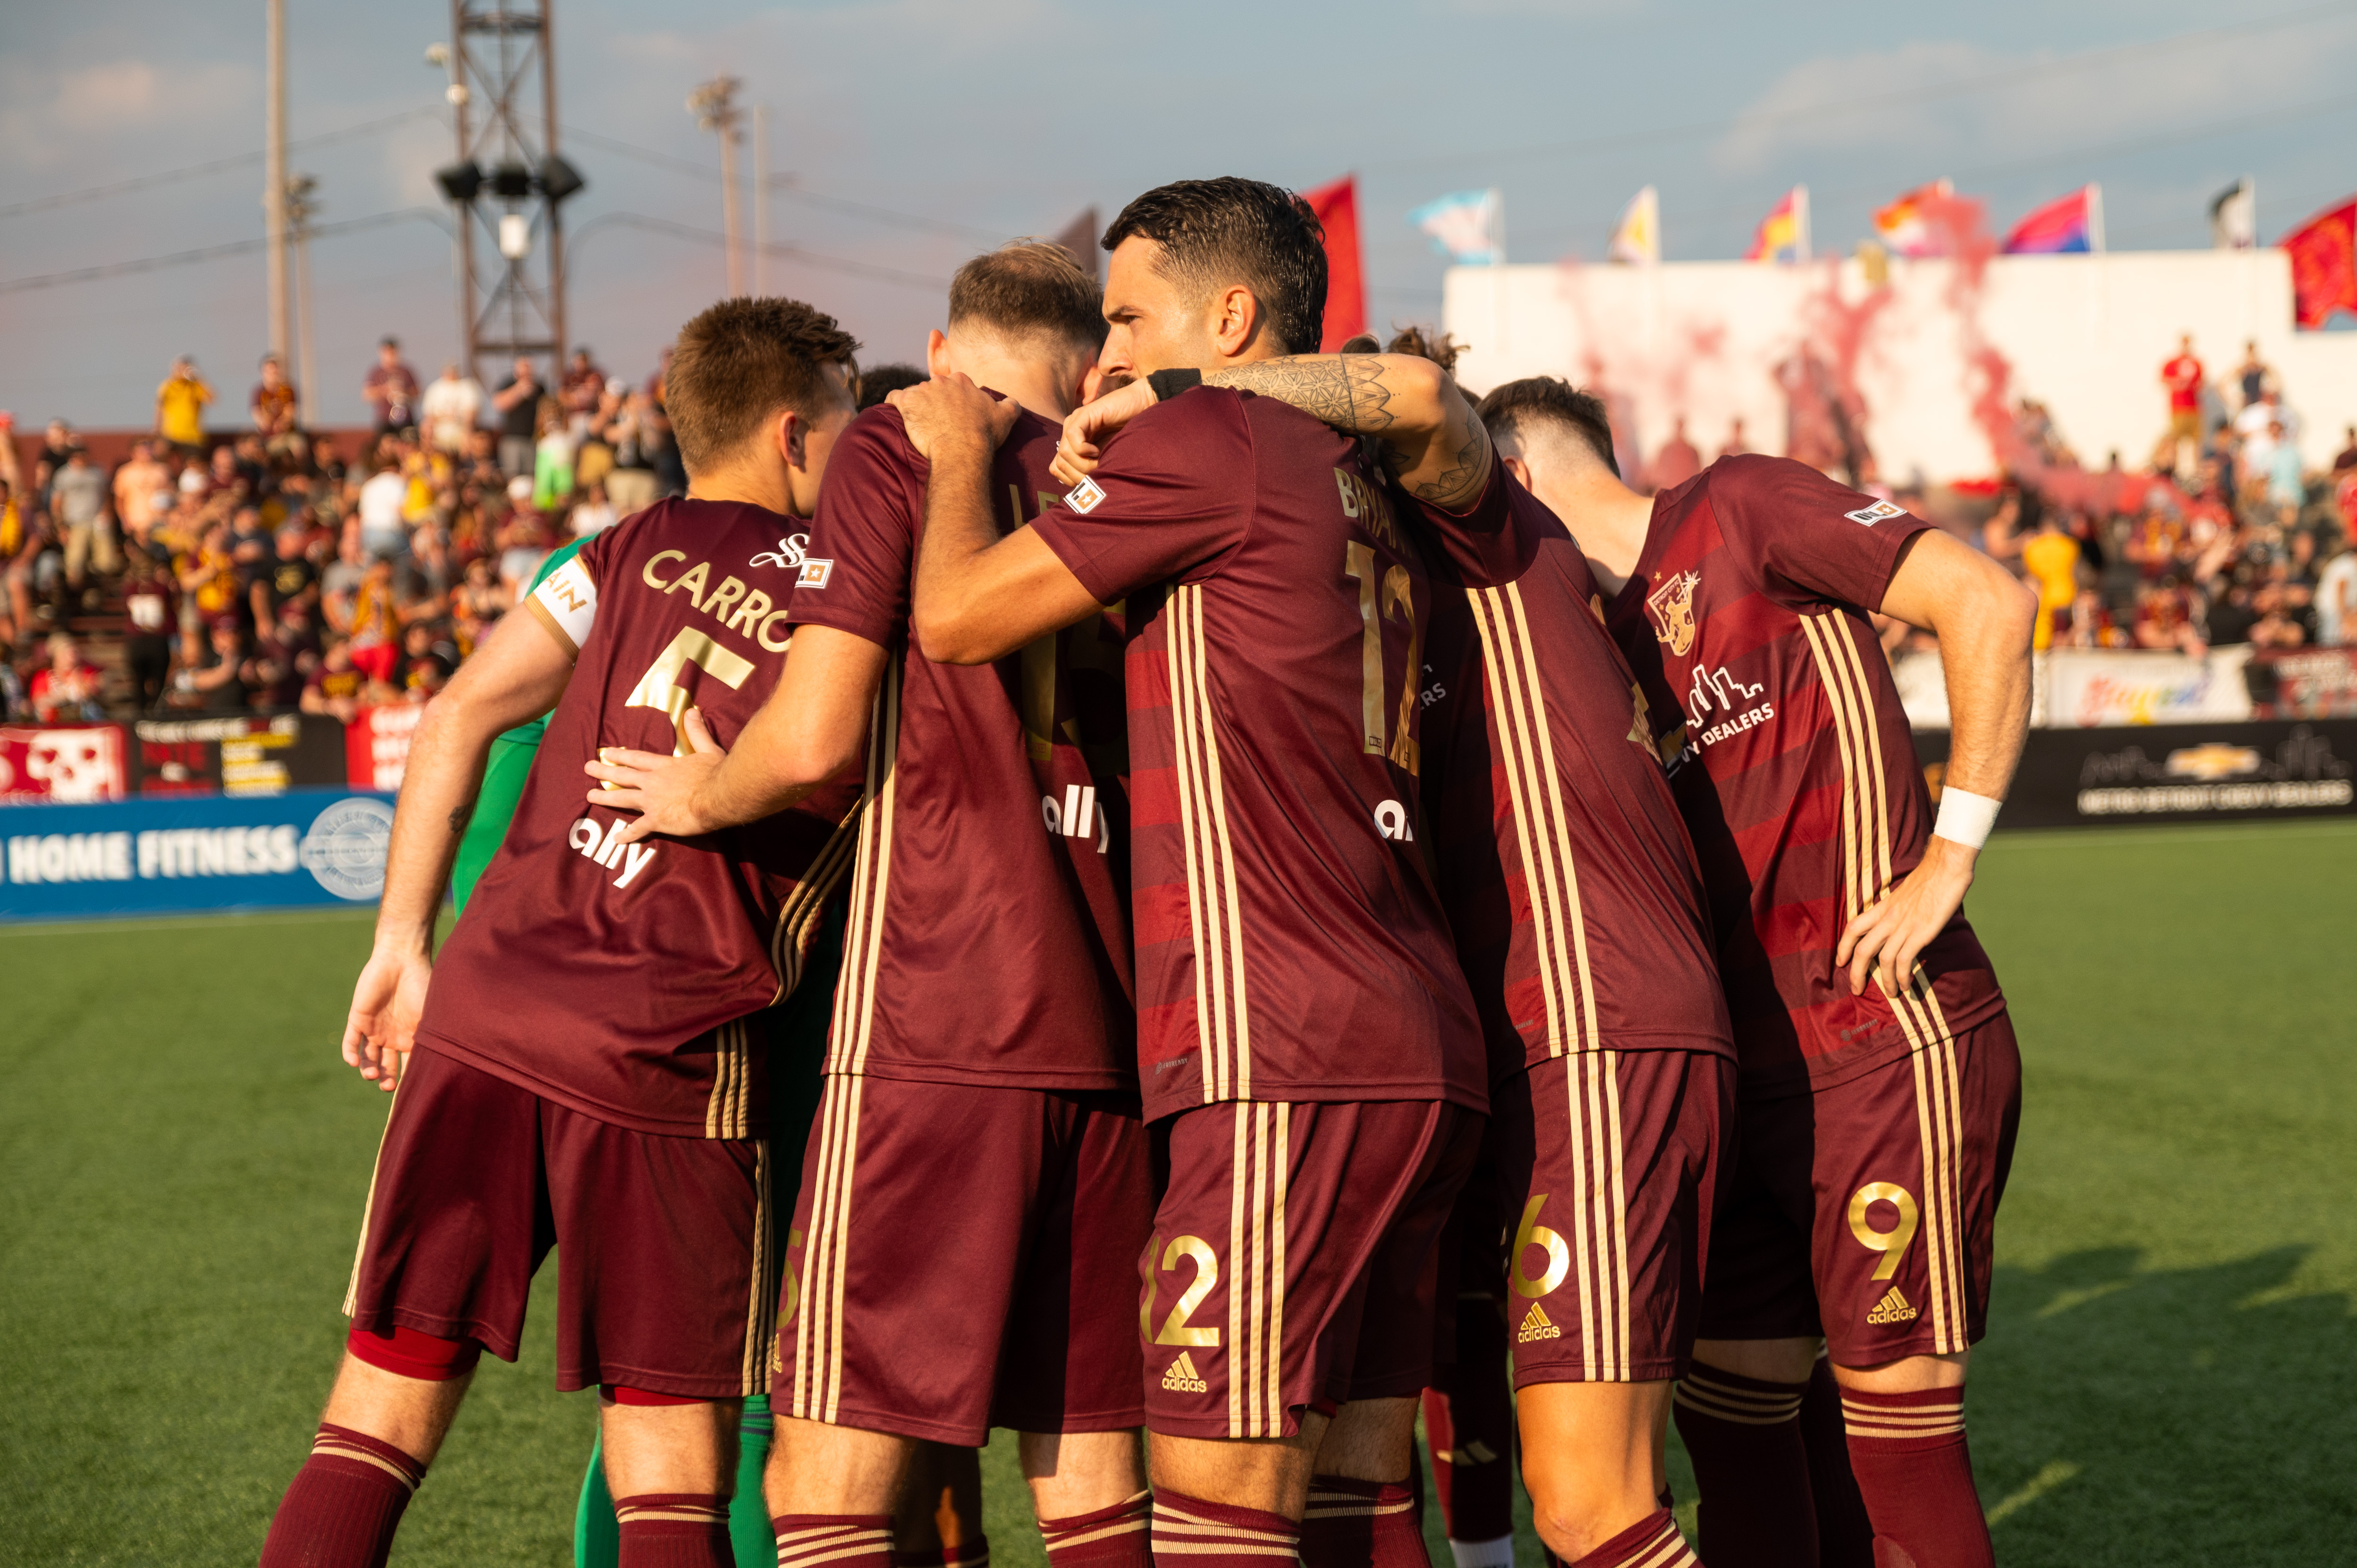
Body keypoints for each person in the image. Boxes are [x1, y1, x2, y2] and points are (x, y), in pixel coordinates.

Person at [1061, 345, 1747, 1566]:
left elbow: (1423, 406)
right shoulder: (1380, 583)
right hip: (1500, 1033)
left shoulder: (1486, 531)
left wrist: (1186, 397)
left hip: (1588, 1014)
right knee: (1391, 1416)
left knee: (1594, 1504)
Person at [903, 178, 1487, 1568]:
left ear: (1228, 321)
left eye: (1126, 316)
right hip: (1417, 1036)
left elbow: (955, 616)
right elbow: (1437, 417)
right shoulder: (1362, 479)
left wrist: (940, 456)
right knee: (1355, 1492)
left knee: (1219, 1508)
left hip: (1274, 1038)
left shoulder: (1217, 429)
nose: (1106, 354)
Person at [255, 294, 865, 1568]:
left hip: (484, 1009)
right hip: (669, 1050)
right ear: (796, 436)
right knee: (671, 1475)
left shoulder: (622, 544)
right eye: (849, 417)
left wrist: (401, 942)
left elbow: (457, 712)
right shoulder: (858, 598)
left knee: (374, 1413)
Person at [585, 242, 1154, 1568]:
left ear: (949, 355)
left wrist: (702, 793)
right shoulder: (1147, 471)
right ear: (1089, 358)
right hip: (1118, 1030)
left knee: (829, 1483)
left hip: (937, 1021)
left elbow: (812, 737)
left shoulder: (900, 448)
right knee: (1090, 1483)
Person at [1464, 377, 2033, 1568]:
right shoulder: (1595, 641)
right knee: (1738, 1444)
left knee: (1902, 1449)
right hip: (1741, 1082)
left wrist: (1946, 862)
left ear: (1510, 475)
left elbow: (1985, 601)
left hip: (1882, 1039)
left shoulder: (1741, 502)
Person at [49, 445, 118, 608]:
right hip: (75, 523)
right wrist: (61, 527)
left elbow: (107, 496)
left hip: (97, 523)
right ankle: (75, 600)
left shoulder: (97, 473)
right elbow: (57, 503)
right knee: (75, 563)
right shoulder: (64, 476)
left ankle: (100, 595)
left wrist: (106, 514)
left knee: (107, 562)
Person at [122, 554, 179, 711]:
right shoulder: (161, 588)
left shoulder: (130, 588)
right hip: (156, 640)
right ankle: (155, 711)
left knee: (140, 682)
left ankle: (142, 713)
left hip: (137, 640)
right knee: (158, 681)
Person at [2019, 509, 2080, 652]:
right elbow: (2075, 572)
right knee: (2064, 639)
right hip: (2066, 595)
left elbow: (2029, 573)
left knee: (2042, 638)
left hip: (2043, 597)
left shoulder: (2032, 547)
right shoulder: (2070, 545)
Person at [29, 632, 105, 721]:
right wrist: (65, 695)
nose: (71, 657)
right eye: (65, 653)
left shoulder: (84, 673)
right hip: (52, 727)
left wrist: (86, 687)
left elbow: (100, 683)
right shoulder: (43, 677)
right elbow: (39, 703)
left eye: (74, 652)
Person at [421, 362, 486, 456]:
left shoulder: (467, 387)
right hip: (439, 430)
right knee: (425, 430)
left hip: (460, 429)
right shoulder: (434, 389)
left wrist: (467, 430)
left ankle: (466, 465)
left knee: (472, 438)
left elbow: (471, 415)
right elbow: (429, 416)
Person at [494, 357, 543, 477]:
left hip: (532, 440)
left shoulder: (540, 388)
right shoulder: (508, 384)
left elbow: (544, 411)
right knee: (512, 477)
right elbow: (499, 404)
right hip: (512, 439)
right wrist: (520, 391)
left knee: (531, 477)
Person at [157, 356, 214, 456]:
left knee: (193, 465)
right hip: (171, 434)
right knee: (159, 454)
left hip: (192, 436)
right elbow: (159, 408)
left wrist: (198, 378)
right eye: (179, 368)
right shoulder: (167, 386)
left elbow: (211, 400)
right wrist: (157, 429)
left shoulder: (196, 386)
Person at [364, 337, 420, 436]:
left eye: (393, 351)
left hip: (405, 418)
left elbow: (417, 393)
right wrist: (385, 390)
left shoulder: (406, 371)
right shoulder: (376, 372)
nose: (391, 355)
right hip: (384, 419)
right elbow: (367, 395)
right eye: (387, 352)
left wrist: (404, 393)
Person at [2159, 336, 2203, 459]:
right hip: (2178, 407)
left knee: (2196, 441)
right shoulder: (2172, 363)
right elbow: (2163, 380)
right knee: (2175, 440)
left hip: (2194, 408)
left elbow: (2201, 383)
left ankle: (2196, 470)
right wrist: (2177, 383)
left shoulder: (2196, 363)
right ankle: (2174, 466)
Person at [254, 353, 301, 450]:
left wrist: (282, 425)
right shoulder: (259, 392)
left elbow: (290, 413)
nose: (272, 374)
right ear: (262, 373)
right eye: (269, 371)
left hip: (288, 434)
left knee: (298, 447)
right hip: (267, 437)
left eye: (275, 371)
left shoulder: (288, 390)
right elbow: (258, 418)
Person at [2317, 537, 2357, 647]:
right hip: (2332, 611)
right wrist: (2345, 618)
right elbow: (2341, 593)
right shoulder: (2347, 565)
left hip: (2341, 611)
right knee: (2330, 644)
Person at [1650, 415, 1702, 492]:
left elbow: (1697, 472)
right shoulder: (1666, 449)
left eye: (1681, 426)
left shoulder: (1692, 450)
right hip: (1670, 490)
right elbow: (1658, 473)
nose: (1679, 428)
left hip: (1686, 491)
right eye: (1678, 426)